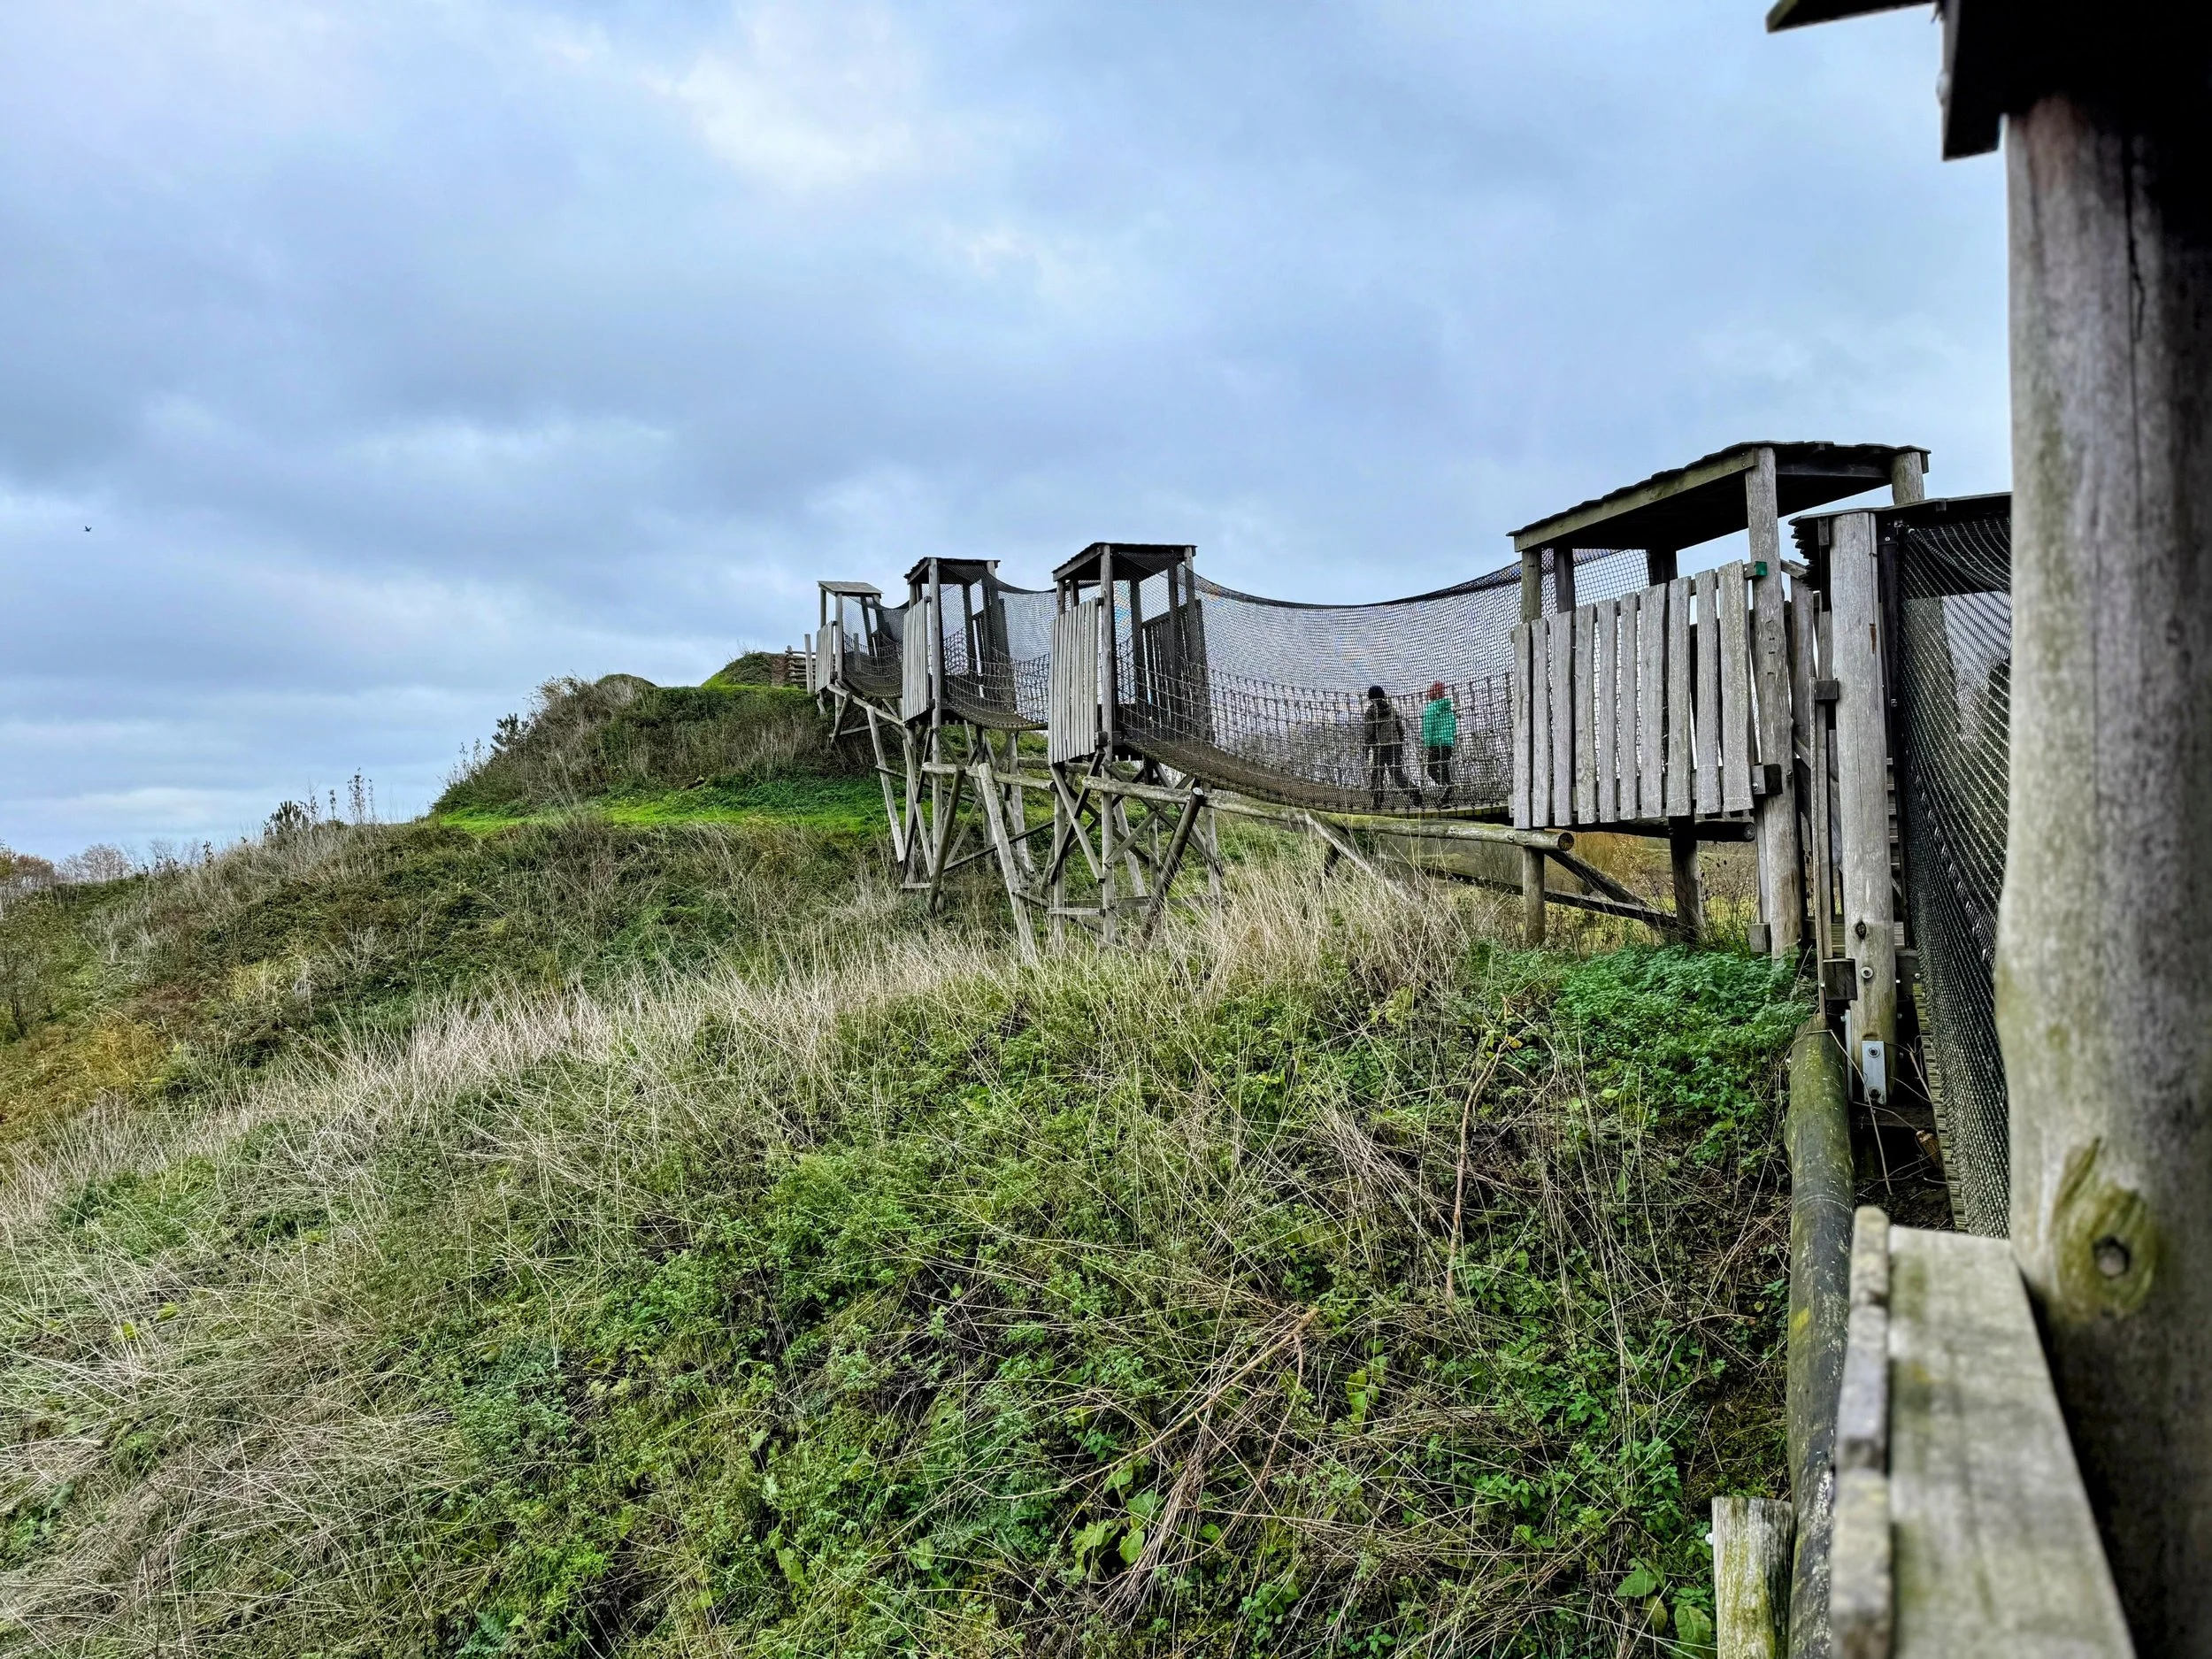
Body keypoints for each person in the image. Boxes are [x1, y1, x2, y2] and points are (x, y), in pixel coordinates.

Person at [1363, 686, 1421, 809]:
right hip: (1394, 746)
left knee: (1377, 774)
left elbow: (1369, 731)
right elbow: (1400, 728)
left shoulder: (1371, 711)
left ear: (1371, 698)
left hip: (1380, 747)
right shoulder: (1392, 709)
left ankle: (1377, 800)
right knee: (1397, 774)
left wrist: (1366, 749)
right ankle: (1413, 791)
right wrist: (1400, 742)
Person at [1420, 680, 1456, 804]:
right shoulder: (1448, 708)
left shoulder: (1431, 708)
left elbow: (1428, 727)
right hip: (1447, 743)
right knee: (1444, 766)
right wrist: (1449, 739)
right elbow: (1453, 727)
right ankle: (1446, 791)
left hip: (1435, 743)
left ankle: (1444, 786)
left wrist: (1427, 744)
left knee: (1431, 769)